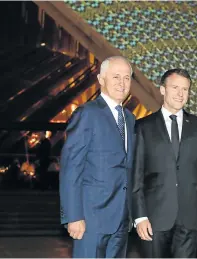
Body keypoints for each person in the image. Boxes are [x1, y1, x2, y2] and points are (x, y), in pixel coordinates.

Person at [132, 68, 197, 258]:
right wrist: (139, 216)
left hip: (190, 216)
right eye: (175, 87)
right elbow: (136, 176)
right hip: (154, 216)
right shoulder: (144, 127)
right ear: (162, 90)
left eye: (185, 89)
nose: (180, 93)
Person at [60, 56, 135, 258]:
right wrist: (73, 216)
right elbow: (71, 168)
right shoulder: (87, 114)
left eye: (127, 77)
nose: (122, 83)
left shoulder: (129, 118)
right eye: (116, 76)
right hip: (90, 219)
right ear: (101, 79)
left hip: (121, 218)